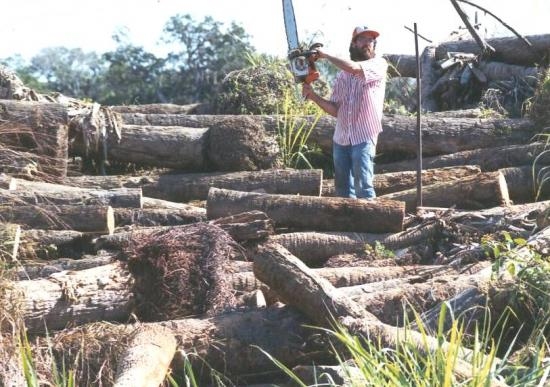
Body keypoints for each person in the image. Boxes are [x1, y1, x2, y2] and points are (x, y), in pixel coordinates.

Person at [302, 26, 387, 199]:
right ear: (354, 43)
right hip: (341, 138)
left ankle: (369, 222)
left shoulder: (378, 64)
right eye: (363, 39)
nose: (367, 43)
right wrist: (313, 96)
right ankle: (347, 224)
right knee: (342, 190)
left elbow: (355, 69)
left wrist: (325, 55)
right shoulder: (342, 76)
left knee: (363, 186)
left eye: (371, 40)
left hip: (364, 136)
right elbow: (336, 110)